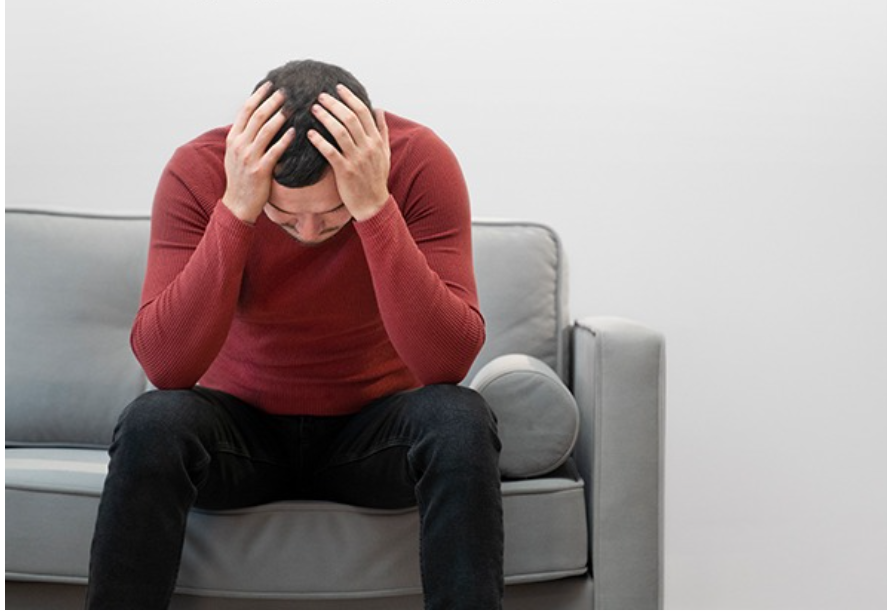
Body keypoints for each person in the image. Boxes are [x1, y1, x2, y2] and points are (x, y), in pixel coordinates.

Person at [85, 59, 504, 610]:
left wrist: (374, 208)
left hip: (372, 436)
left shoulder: (420, 162)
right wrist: (237, 208)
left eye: (332, 216)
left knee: (460, 418)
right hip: (241, 437)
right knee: (151, 421)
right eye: (286, 218)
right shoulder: (200, 170)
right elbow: (167, 367)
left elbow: (446, 362)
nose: (308, 233)